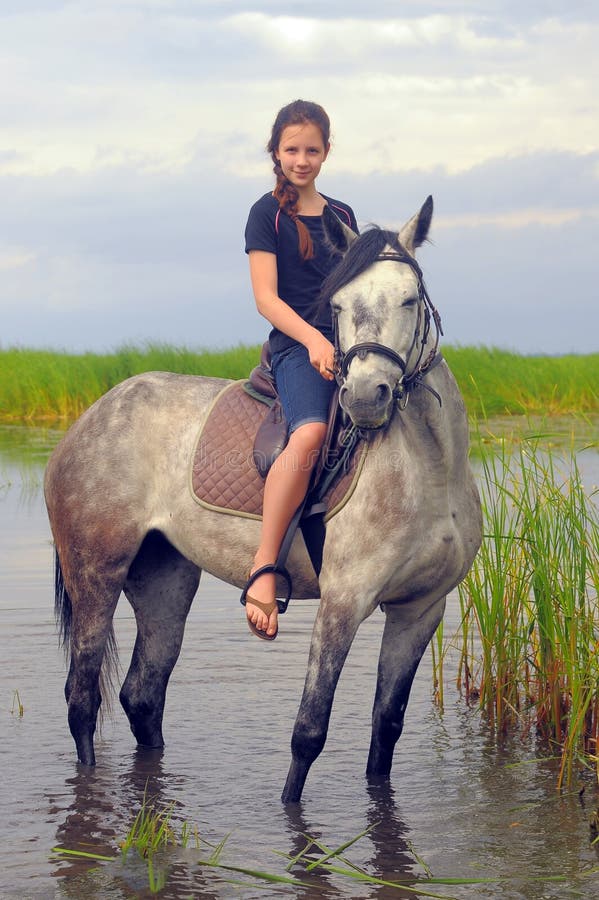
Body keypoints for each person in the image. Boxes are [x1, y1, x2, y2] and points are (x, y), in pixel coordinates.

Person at [242, 99, 358, 640]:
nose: (302, 159)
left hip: (349, 346)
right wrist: (313, 340)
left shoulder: (343, 215)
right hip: (295, 347)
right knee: (310, 430)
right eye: (292, 149)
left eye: (312, 149)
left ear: (327, 152)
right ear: (276, 152)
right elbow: (266, 298)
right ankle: (265, 566)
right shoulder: (266, 214)